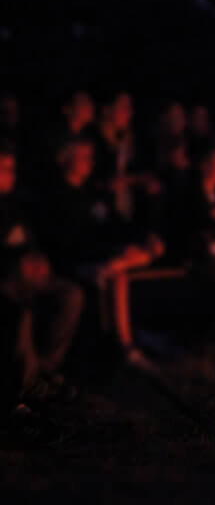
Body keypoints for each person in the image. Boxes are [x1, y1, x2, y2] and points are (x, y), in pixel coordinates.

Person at [39, 138, 161, 358]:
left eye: (90, 157)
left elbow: (115, 223)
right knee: (118, 272)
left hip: (100, 259)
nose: (89, 162)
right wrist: (111, 253)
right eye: (82, 156)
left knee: (126, 267)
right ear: (64, 159)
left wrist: (142, 239)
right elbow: (69, 243)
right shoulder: (56, 197)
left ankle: (123, 345)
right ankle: (124, 346)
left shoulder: (90, 194)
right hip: (72, 264)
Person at [0, 146, 84, 407]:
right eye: (3, 169)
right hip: (6, 281)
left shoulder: (13, 206)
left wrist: (40, 260)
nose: (10, 175)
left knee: (70, 295)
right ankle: (28, 384)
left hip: (30, 278)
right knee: (20, 309)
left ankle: (45, 367)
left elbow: (29, 242)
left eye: (12, 169)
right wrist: (15, 264)